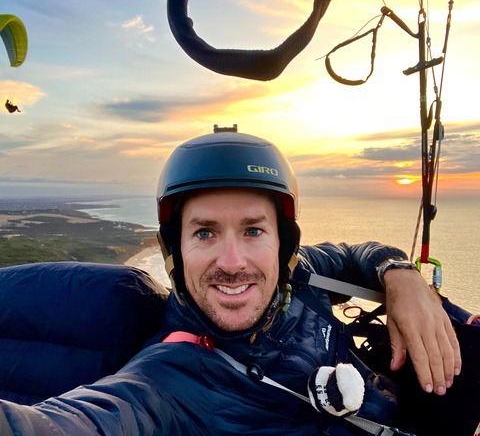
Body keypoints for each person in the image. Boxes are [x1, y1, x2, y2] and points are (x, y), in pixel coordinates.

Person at [0, 125, 466, 435]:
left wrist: (399, 274)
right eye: (204, 232)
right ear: (175, 250)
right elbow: (74, 423)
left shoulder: (298, 275)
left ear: (283, 243)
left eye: (252, 230)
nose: (232, 261)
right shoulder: (166, 377)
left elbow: (351, 254)